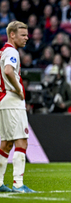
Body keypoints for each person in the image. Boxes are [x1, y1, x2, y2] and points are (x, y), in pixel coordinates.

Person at [0, 21, 35, 193]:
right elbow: (8, 71)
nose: (27, 38)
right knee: (22, 140)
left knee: (6, 143)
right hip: (12, 100)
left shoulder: (2, 51)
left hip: (4, 100)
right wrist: (17, 88)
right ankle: (18, 184)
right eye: (23, 35)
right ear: (12, 35)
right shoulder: (12, 51)